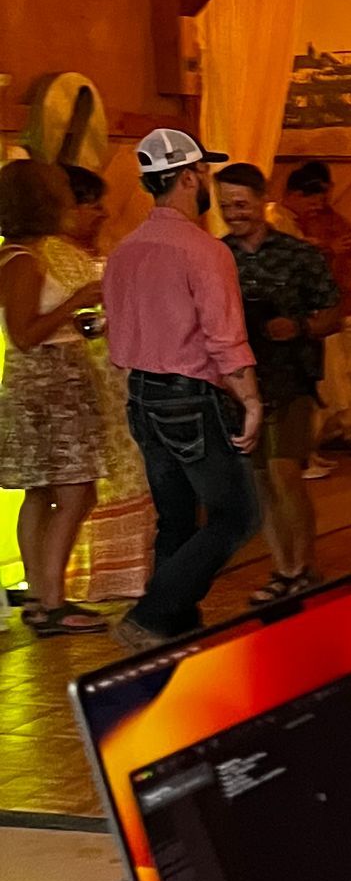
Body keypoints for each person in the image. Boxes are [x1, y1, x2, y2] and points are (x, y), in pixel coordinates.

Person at [102, 128, 260, 648]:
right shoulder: (204, 250)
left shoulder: (125, 250)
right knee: (237, 514)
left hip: (141, 395)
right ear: (190, 176)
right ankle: (152, 615)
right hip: (189, 395)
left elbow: (117, 330)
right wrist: (251, 399)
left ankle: (173, 628)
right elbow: (224, 336)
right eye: (205, 174)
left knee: (174, 517)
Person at [215, 163, 343, 604]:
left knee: (285, 470)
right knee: (261, 481)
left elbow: (333, 314)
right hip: (237, 383)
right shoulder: (215, 256)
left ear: (261, 200)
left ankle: (302, 565)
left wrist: (300, 327)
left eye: (242, 204)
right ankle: (282, 567)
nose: (234, 214)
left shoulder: (299, 254)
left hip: (291, 378)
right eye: (225, 206)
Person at [0, 159, 106, 637]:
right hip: (48, 384)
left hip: (44, 381)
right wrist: (79, 298)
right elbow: (24, 334)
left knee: (42, 492)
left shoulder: (22, 253)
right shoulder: (22, 259)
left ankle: (44, 600)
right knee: (75, 489)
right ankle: (54, 600)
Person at [51, 163, 153, 607]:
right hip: (82, 380)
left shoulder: (79, 254)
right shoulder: (47, 256)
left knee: (124, 466)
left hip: (112, 377)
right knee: (93, 478)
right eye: (90, 204)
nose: (101, 213)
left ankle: (126, 573)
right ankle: (85, 578)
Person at [282, 157, 351, 471]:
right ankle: (343, 434)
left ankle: (328, 437)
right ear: (296, 195)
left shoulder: (333, 219)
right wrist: (324, 248)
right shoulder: (279, 220)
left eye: (324, 195)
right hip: (310, 316)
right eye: (315, 197)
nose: (319, 204)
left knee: (339, 377)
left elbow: (347, 253)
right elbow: (296, 260)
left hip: (340, 305)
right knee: (328, 381)